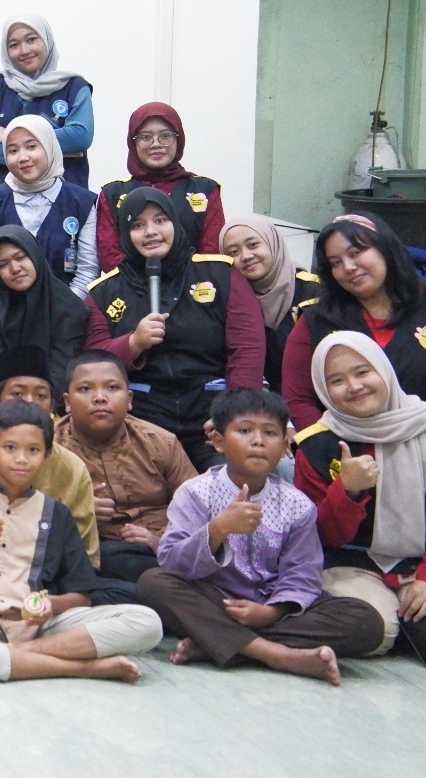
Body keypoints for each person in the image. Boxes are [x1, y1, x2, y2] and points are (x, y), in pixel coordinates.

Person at [137, 388, 385, 684]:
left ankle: (222, 644)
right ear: (218, 441)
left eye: (270, 433)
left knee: (366, 622)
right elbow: (171, 561)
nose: (258, 441)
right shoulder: (195, 493)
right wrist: (218, 528)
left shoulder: (297, 504)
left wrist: (271, 612)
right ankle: (277, 654)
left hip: (273, 607)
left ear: (284, 446)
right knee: (153, 583)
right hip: (214, 601)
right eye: (244, 431)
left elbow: (303, 573)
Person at [0, 400, 162, 683]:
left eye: (33, 450)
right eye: (9, 447)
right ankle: (83, 668)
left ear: (47, 455)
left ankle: (17, 654)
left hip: (41, 625)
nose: (22, 459)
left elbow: (81, 596)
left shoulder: (56, 514)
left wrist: (51, 604)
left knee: (147, 623)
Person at [85, 188, 265, 470]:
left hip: (212, 416)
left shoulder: (219, 273)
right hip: (142, 422)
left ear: (175, 222)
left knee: (229, 483)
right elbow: (92, 360)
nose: (151, 232)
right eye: (137, 225)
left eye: (160, 220)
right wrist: (133, 343)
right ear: (125, 234)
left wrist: (233, 413)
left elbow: (247, 348)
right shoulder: (104, 291)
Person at [295, 332, 426, 660]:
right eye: (336, 380)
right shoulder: (316, 444)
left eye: (363, 372)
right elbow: (317, 537)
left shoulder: (422, 426)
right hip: (350, 565)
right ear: (322, 389)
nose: (354, 386)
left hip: (419, 564)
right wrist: (347, 490)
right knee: (372, 630)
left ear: (384, 370)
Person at [0, 346, 101, 567]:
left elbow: (82, 557)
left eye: (41, 396)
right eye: (17, 394)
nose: (29, 402)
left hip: (48, 577)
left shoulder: (71, 467)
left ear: (52, 406)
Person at [55, 351, 196, 585]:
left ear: (129, 399)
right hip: (88, 556)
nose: (100, 398)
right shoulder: (49, 449)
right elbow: (27, 516)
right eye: (85, 389)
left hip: (159, 555)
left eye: (112, 388)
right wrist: (79, 511)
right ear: (67, 402)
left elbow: (197, 511)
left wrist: (159, 542)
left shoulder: (161, 442)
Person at [281, 213, 426, 429]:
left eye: (356, 253)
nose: (348, 267)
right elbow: (298, 399)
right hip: (345, 444)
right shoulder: (316, 320)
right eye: (336, 263)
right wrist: (328, 444)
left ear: (385, 248)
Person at [0, 114, 98, 296]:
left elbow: (88, 271)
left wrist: (64, 308)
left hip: (69, 310)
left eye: (31, 147)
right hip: (6, 310)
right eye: (13, 150)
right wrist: (8, 309)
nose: (22, 157)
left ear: (49, 146)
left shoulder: (81, 202)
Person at [0, 13, 93, 194]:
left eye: (32, 39)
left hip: (64, 197)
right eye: (14, 45)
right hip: (5, 198)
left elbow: (80, 137)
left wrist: (9, 138)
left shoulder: (74, 87)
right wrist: (55, 147)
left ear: (47, 41)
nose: (24, 50)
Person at [95, 102, 223, 272]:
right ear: (133, 143)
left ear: (179, 139)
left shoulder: (204, 190)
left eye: (166, 135)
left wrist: (181, 284)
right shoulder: (113, 194)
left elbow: (211, 253)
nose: (156, 144)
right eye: (145, 137)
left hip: (193, 285)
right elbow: (109, 256)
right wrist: (141, 283)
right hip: (130, 286)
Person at [221, 213, 321, 394]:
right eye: (233, 252)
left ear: (273, 242)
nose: (246, 256)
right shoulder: (228, 300)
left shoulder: (314, 291)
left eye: (253, 245)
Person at [0, 225, 88, 392]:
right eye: (2, 264)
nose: (15, 268)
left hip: (52, 399)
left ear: (34, 254)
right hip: (2, 398)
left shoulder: (69, 307)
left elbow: (62, 371)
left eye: (20, 257)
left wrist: (33, 401)